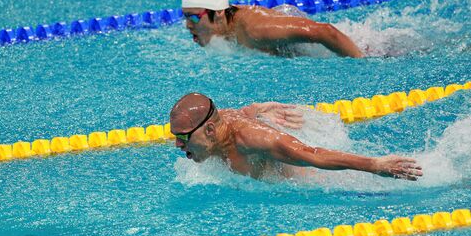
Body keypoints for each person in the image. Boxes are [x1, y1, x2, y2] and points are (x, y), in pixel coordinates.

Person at [170, 93, 423, 181]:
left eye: (182, 138)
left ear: (210, 130)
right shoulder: (216, 127)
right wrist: (258, 109)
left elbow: (312, 155)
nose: (178, 145)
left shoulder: (253, 140)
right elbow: (237, 113)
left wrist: (375, 165)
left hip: (316, 179)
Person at [182, 0, 364, 57]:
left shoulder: (254, 29)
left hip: (358, 46)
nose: (188, 25)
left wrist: (361, 63)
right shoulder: (226, 29)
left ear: (219, 12)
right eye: (185, 17)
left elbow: (326, 32)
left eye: (194, 17)